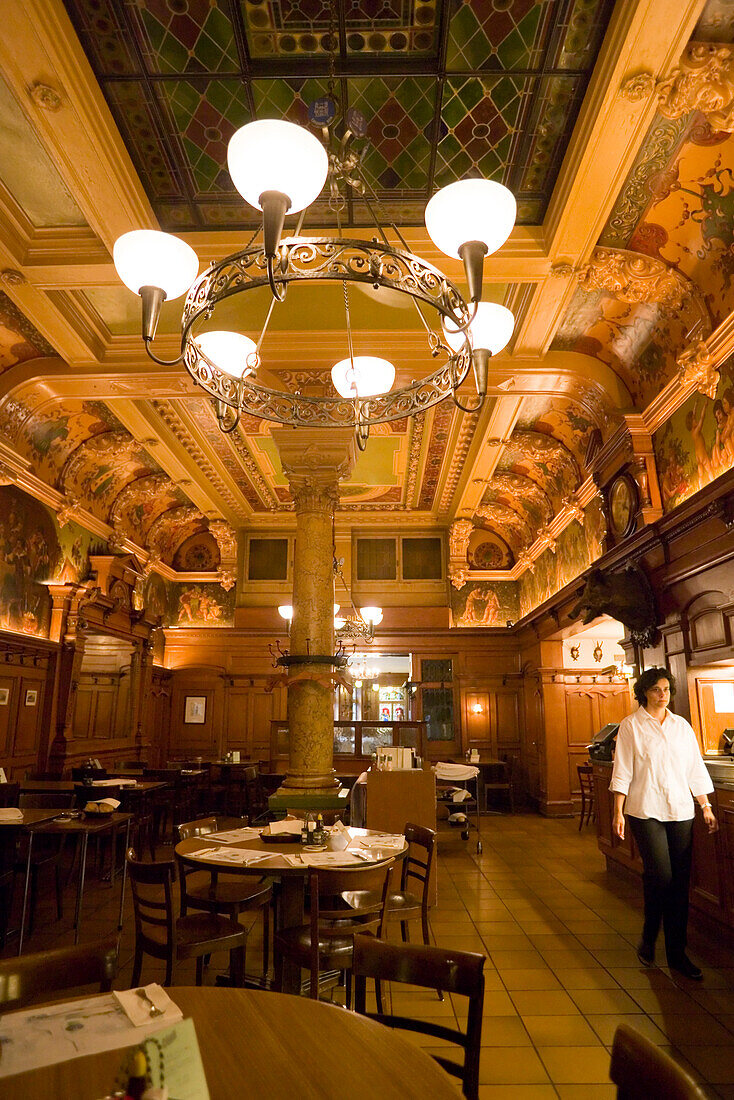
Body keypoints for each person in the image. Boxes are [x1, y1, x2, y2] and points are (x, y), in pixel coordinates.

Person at [610, 667, 717, 980]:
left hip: (681, 810)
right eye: (656, 689)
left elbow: (694, 768)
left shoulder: (681, 726)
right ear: (644, 691)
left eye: (667, 689)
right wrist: (618, 812)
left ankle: (675, 953)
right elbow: (623, 770)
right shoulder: (630, 726)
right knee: (661, 876)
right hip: (644, 810)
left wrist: (706, 805)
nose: (663, 694)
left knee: (678, 882)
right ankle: (649, 932)